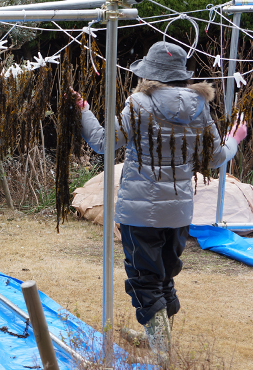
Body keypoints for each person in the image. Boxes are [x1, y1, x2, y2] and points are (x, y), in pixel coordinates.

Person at [74, 41, 246, 362]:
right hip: (180, 213)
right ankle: (157, 335)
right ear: (181, 76)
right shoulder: (199, 105)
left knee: (144, 279)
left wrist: (84, 111)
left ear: (149, 75)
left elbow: (101, 142)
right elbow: (216, 157)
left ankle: (160, 351)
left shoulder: (139, 103)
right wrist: (234, 140)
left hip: (140, 213)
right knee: (164, 276)